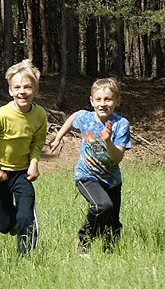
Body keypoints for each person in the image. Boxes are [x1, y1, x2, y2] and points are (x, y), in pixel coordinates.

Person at [50, 78, 130, 253]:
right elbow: (72, 119)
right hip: (86, 175)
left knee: (113, 226)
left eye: (108, 99)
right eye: (98, 99)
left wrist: (108, 141)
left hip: (112, 180)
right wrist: (58, 137)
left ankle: (110, 256)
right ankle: (84, 239)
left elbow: (117, 158)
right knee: (102, 206)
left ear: (117, 101)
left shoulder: (121, 125)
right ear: (92, 101)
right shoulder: (85, 118)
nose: (103, 104)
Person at [0, 60, 48, 255]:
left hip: (21, 174)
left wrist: (34, 163)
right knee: (4, 226)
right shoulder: (1, 115)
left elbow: (37, 142)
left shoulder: (40, 115)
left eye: (27, 87)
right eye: (17, 87)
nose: (22, 91)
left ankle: (26, 257)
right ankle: (2, 219)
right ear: (10, 91)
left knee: (26, 215)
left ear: (35, 90)